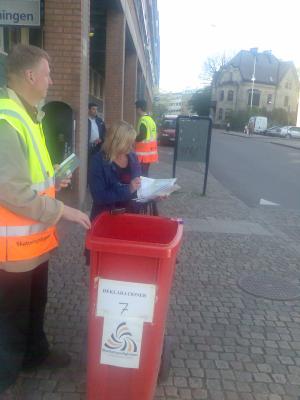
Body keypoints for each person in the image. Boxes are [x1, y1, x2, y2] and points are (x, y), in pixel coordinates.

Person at [0, 44, 91, 399]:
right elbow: (10, 191)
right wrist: (63, 211)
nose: (51, 80)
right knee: (11, 315)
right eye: (48, 73)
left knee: (36, 304)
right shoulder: (7, 120)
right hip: (12, 248)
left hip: (32, 243)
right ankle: (6, 379)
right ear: (29, 75)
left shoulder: (29, 115)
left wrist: (54, 178)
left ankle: (35, 354)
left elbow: (28, 177)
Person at [88, 120, 141, 221]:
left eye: (132, 143)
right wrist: (128, 189)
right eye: (128, 143)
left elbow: (138, 186)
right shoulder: (97, 161)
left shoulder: (132, 156)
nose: (131, 147)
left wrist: (153, 195)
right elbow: (99, 197)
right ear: (116, 142)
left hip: (131, 214)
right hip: (107, 218)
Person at [135, 99, 158, 177]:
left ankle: (142, 189)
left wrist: (133, 139)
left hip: (142, 155)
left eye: (136, 109)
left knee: (141, 175)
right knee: (145, 174)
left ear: (139, 108)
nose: (136, 111)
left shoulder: (143, 120)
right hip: (149, 153)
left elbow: (142, 136)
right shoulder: (151, 120)